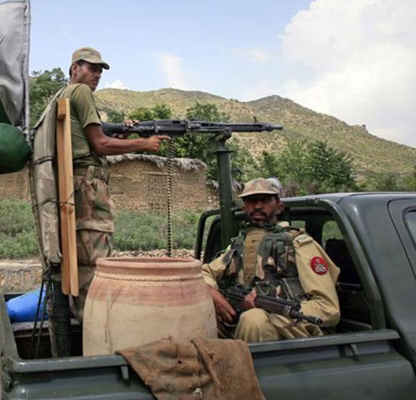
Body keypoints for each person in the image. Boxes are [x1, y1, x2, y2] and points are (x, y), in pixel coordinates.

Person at [62, 47, 169, 320]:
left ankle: (87, 321)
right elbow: (100, 144)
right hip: (88, 185)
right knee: (95, 260)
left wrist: (123, 132)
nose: (97, 75)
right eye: (92, 68)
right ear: (75, 69)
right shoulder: (81, 92)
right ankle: (94, 327)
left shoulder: (64, 94)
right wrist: (143, 143)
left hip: (76, 185)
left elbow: (94, 139)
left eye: (100, 70)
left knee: (85, 257)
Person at [202, 178, 340, 342]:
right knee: (197, 313)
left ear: (279, 206)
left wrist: (271, 307)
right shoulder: (240, 243)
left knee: (253, 320)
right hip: (241, 318)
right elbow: (205, 273)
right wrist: (214, 295)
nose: (257, 206)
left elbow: (328, 309)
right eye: (251, 201)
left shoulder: (298, 243)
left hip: (288, 323)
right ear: (244, 207)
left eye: (265, 200)